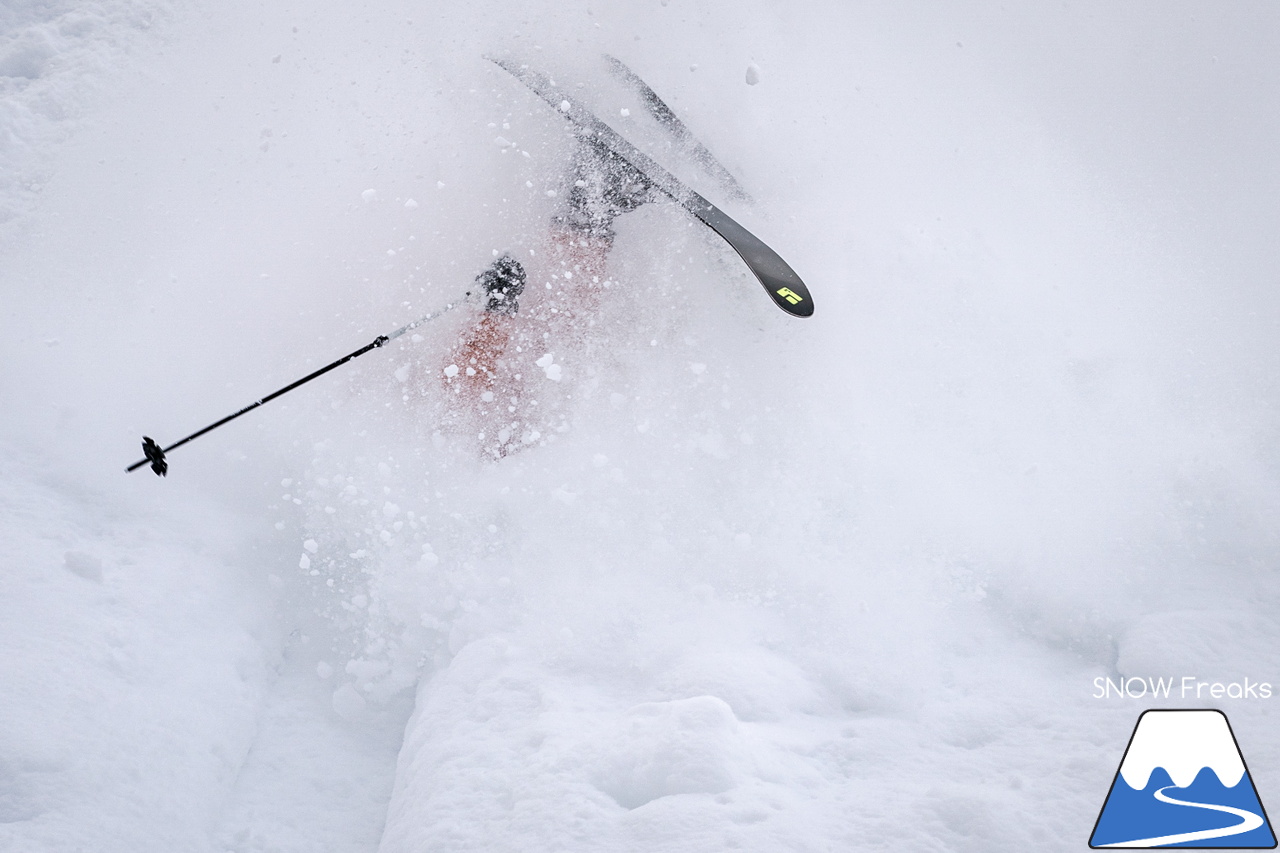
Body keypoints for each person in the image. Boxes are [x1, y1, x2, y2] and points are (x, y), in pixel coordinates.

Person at [439, 140, 658, 457]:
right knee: (566, 337)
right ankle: (595, 199)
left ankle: (590, 196)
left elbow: (460, 390)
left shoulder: (459, 441)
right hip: (544, 405)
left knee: (558, 328)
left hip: (518, 384)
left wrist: (494, 308)